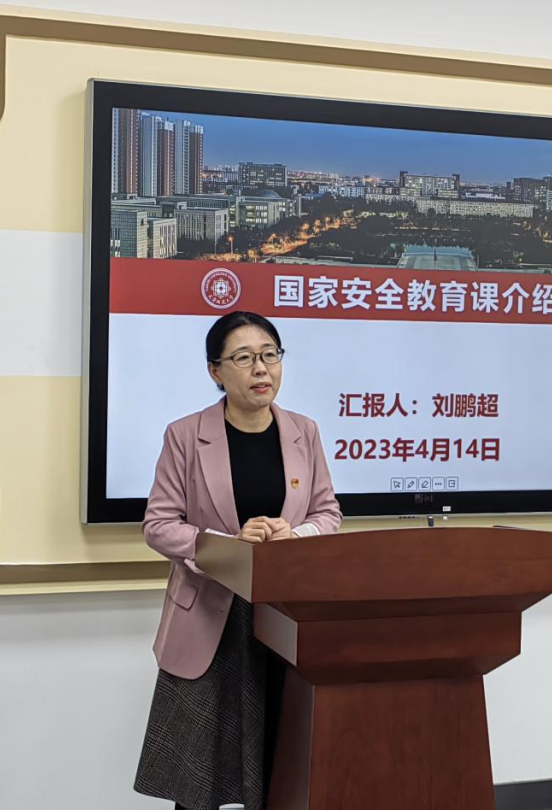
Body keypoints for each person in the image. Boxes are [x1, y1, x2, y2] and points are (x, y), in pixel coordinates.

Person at [133, 311, 342, 810]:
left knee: (281, 765)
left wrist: (295, 534)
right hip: (213, 616)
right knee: (197, 775)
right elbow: (159, 525)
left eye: (270, 355)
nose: (261, 369)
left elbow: (328, 513)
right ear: (215, 371)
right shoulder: (185, 435)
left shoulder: (304, 432)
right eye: (244, 358)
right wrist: (228, 544)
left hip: (285, 616)